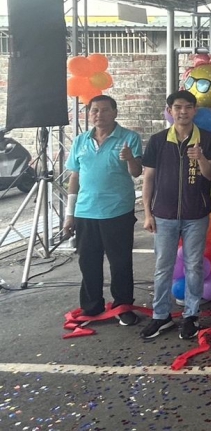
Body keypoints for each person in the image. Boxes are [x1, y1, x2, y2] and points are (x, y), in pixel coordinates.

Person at [140, 90, 211, 340]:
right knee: (162, 266)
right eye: (177, 107)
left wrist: (201, 158)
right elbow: (148, 178)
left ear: (195, 110)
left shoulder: (207, 139)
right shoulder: (158, 140)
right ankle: (161, 316)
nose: (183, 111)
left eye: (187, 107)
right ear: (170, 111)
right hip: (163, 214)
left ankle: (191, 315)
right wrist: (147, 213)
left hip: (196, 215)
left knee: (194, 266)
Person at [62, 95, 143, 326]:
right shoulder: (80, 140)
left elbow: (137, 172)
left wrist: (130, 158)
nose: (99, 115)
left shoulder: (129, 138)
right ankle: (92, 307)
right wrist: (70, 214)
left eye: (105, 110)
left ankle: (123, 306)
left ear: (115, 112)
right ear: (89, 114)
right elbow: (75, 177)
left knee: (120, 263)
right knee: (88, 262)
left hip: (117, 211)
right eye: (94, 110)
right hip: (85, 211)